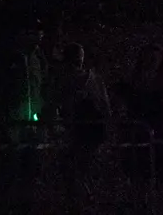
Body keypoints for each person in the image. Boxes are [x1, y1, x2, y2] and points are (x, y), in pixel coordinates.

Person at [117, 45, 163, 212]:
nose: (151, 62)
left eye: (155, 59)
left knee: (159, 178)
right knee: (138, 178)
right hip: (137, 136)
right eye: (148, 58)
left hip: (159, 136)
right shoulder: (133, 84)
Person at [51, 43, 111, 214]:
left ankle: (84, 201)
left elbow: (104, 106)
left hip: (86, 131)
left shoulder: (89, 79)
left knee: (78, 168)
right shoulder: (85, 79)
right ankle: (82, 201)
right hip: (79, 131)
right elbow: (105, 106)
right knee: (73, 169)